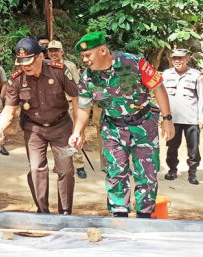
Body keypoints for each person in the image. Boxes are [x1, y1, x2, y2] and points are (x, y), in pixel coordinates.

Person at [68, 31, 175, 218]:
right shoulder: (88, 77)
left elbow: (158, 87)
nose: (84, 60)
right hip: (112, 129)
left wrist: (167, 119)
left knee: (147, 174)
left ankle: (145, 215)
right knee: (115, 173)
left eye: (87, 55)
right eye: (83, 56)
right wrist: (77, 132)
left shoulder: (133, 63)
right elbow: (84, 108)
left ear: (102, 50)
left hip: (143, 127)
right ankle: (119, 216)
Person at [0, 38, 78, 215]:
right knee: (36, 168)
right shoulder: (16, 78)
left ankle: (66, 213)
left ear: (40, 56)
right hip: (34, 129)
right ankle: (43, 212)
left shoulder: (59, 71)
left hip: (61, 127)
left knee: (66, 170)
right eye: (21, 63)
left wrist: (78, 130)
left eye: (29, 62)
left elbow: (76, 98)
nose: (26, 67)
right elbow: (9, 109)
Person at [162, 49, 203, 185]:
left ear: (187, 59)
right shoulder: (167, 75)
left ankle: (192, 173)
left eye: (181, 58)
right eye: (175, 58)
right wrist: (163, 117)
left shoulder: (196, 75)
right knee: (172, 147)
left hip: (191, 119)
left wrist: (201, 118)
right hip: (173, 119)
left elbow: (201, 97)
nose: (177, 61)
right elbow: (162, 96)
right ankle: (172, 170)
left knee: (194, 148)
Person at [48, 40, 87, 179]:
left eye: (56, 50)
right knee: (56, 136)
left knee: (74, 133)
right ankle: (61, 164)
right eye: (51, 51)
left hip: (69, 104)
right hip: (53, 106)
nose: (53, 53)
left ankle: (79, 165)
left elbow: (77, 87)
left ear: (62, 52)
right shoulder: (46, 66)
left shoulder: (69, 66)